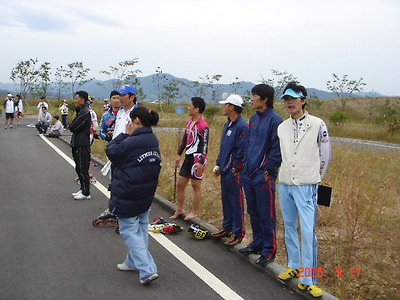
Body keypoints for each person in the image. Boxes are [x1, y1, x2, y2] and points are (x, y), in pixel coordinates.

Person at [277, 82, 331, 298]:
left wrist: (315, 178)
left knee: (308, 232)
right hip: (285, 183)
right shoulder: (281, 127)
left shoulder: (318, 124)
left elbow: (325, 155)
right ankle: (293, 265)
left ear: (303, 100)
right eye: (286, 98)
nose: (289, 102)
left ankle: (308, 278)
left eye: (293, 98)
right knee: (289, 226)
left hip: (307, 184)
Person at [106, 106, 161, 285]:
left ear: (136, 121)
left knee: (129, 230)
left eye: (130, 120)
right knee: (141, 228)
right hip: (145, 193)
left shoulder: (131, 141)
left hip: (129, 192)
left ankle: (147, 270)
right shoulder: (152, 138)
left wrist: (123, 134)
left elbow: (112, 151)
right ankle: (132, 262)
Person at [239, 84, 282, 266]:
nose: (252, 99)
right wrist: (244, 167)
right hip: (248, 172)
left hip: (263, 175)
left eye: (255, 95)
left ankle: (269, 249)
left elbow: (276, 149)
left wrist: (268, 171)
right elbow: (249, 145)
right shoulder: (253, 119)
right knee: (253, 210)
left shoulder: (275, 120)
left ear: (265, 99)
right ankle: (256, 242)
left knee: (266, 213)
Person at [211, 94, 248, 246]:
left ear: (232, 107)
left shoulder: (242, 126)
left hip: (234, 171)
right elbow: (224, 148)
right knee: (226, 199)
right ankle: (227, 227)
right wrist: (218, 164)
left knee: (236, 201)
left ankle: (238, 232)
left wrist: (234, 168)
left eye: (225, 104)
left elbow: (241, 150)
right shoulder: (228, 124)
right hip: (225, 170)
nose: (223, 107)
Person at [170, 97, 209, 221]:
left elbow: (205, 145)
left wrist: (201, 162)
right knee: (180, 185)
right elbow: (184, 139)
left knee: (195, 186)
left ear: (196, 109)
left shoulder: (203, 126)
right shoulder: (189, 122)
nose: (188, 108)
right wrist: (178, 155)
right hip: (188, 157)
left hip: (197, 159)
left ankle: (194, 211)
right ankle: (179, 208)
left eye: (190, 106)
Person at [69, 91, 92, 200]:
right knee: (78, 167)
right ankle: (82, 188)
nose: (75, 100)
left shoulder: (84, 112)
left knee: (83, 168)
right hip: (77, 142)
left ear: (82, 100)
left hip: (82, 143)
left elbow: (73, 127)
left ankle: (86, 192)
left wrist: (72, 126)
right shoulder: (81, 111)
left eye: (76, 98)